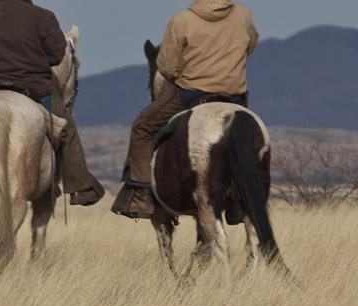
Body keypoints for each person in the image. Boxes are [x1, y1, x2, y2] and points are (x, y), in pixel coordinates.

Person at [0, 0, 104, 206]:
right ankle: (80, 186)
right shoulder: (43, 16)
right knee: (66, 127)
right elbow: (56, 54)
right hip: (35, 86)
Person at [111, 0, 259, 219]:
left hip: (192, 93)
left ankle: (141, 193)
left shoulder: (181, 20)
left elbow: (168, 66)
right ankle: (240, 194)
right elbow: (251, 45)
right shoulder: (244, 15)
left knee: (143, 127)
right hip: (235, 94)